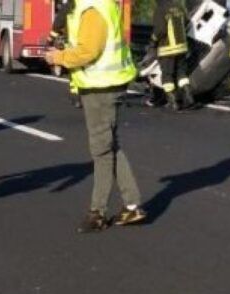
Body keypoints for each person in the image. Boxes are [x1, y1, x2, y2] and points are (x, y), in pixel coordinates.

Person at [44, 0, 146, 233]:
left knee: (101, 150)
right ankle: (132, 205)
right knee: (110, 145)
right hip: (109, 84)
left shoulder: (92, 9)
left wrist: (57, 57)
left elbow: (88, 51)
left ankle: (97, 213)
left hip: (101, 89)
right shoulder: (100, 4)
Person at [150, 0, 195, 110]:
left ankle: (172, 102)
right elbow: (186, 22)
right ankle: (188, 96)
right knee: (181, 73)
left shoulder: (160, 9)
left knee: (167, 75)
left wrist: (153, 41)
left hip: (167, 48)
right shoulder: (179, 6)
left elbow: (160, 30)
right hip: (181, 47)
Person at [48, 0, 82, 108]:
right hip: (89, 44)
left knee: (75, 71)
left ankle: (76, 95)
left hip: (73, 45)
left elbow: (59, 22)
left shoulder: (69, 5)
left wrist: (51, 38)